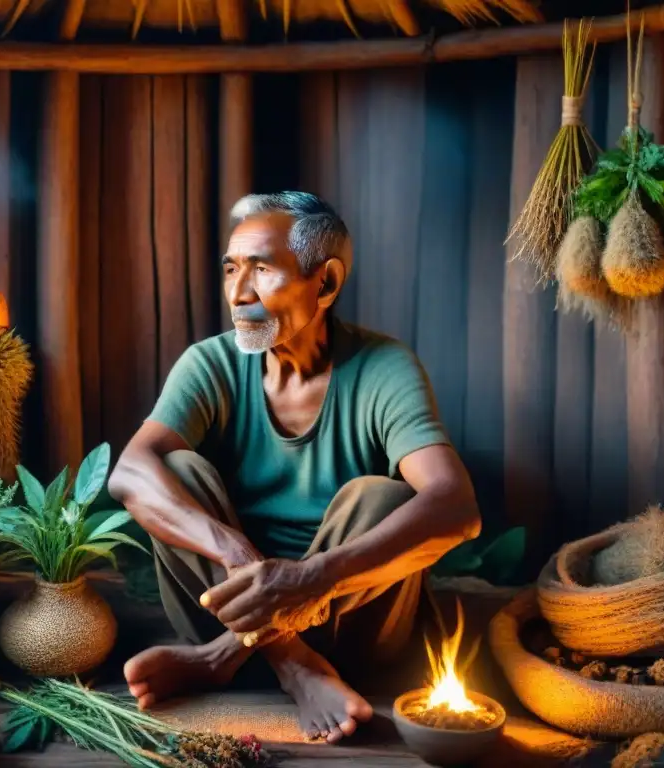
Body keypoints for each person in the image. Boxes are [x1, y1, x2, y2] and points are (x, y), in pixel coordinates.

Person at [106, 191, 481, 745]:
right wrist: (243, 563)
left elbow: (456, 506)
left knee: (383, 497)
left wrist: (309, 580)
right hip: (225, 604)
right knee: (173, 469)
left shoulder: (384, 367)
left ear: (325, 284)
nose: (238, 293)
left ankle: (220, 661)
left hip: (355, 631)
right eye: (232, 269)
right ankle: (295, 667)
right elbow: (127, 473)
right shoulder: (210, 363)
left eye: (263, 271)